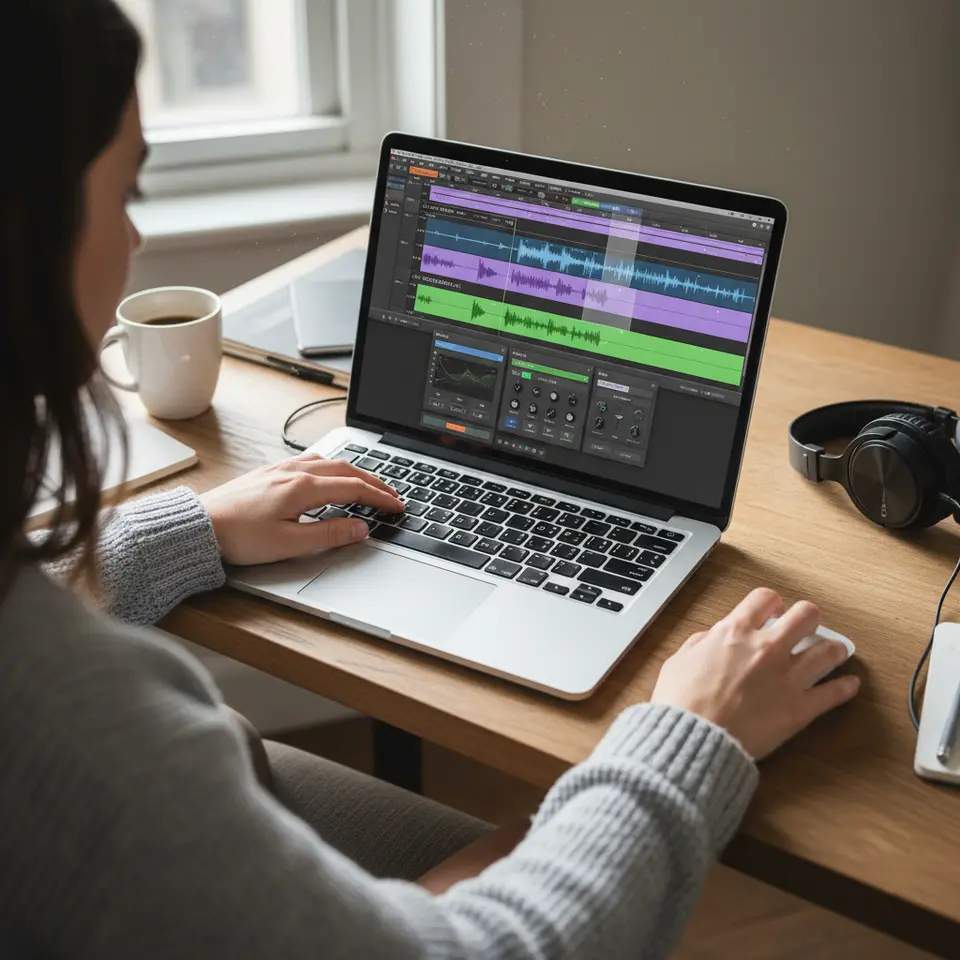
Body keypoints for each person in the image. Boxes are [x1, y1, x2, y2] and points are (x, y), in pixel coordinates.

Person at [0, 2, 860, 956]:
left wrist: (183, 532)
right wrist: (691, 732)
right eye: (125, 193)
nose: (131, 244)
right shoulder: (88, 741)